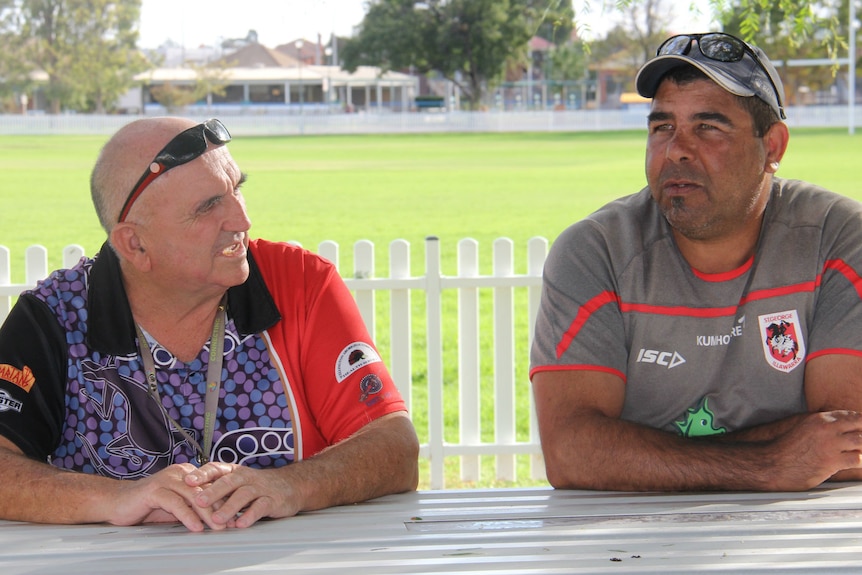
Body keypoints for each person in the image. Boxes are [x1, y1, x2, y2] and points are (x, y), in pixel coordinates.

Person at [0, 117, 419, 531]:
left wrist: (290, 486)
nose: (242, 220)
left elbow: (395, 446)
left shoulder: (300, 283)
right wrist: (119, 498)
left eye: (236, 189)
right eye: (208, 206)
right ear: (135, 244)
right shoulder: (54, 316)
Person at [530, 32, 862, 492]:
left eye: (709, 127)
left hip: (803, 531)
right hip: (625, 540)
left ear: (773, 148)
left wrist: (647, 455)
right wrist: (768, 463)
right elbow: (571, 453)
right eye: (662, 127)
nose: (677, 149)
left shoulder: (839, 238)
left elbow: (845, 445)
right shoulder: (595, 251)